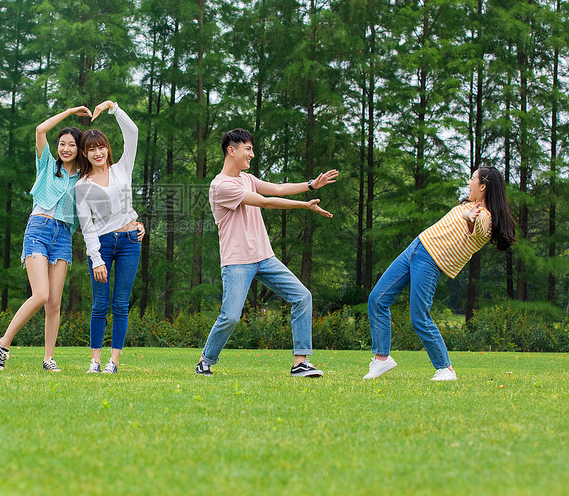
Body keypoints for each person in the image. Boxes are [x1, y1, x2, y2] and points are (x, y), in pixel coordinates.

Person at [195, 128, 338, 378]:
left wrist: (310, 185)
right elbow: (266, 201)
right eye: (248, 149)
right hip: (237, 260)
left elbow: (278, 189)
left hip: (264, 257)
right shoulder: (221, 186)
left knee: (302, 297)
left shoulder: (247, 179)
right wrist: (304, 205)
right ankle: (205, 360)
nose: (252, 154)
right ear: (232, 150)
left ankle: (300, 362)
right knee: (230, 317)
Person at [362, 166, 516, 381]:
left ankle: (445, 369)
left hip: (430, 260)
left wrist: (470, 218)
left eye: (473, 179)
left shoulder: (486, 218)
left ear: (483, 186)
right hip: (415, 248)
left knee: (419, 317)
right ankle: (381, 359)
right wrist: (467, 212)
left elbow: (477, 226)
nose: (469, 182)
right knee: (377, 299)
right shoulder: (469, 205)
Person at [0, 106, 90, 373]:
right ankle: (3, 343)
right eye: (62, 144)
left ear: (80, 149)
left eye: (71, 145)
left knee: (54, 302)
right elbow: (40, 130)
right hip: (39, 228)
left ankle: (48, 358)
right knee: (41, 294)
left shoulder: (83, 179)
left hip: (64, 236)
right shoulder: (46, 164)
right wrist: (69, 112)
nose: (65, 148)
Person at [74, 99, 143, 374]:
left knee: (121, 303)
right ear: (85, 154)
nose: (98, 152)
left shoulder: (122, 169)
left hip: (129, 242)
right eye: (92, 149)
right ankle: (95, 361)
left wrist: (115, 108)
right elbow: (86, 226)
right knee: (100, 304)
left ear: (107, 149)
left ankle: (113, 362)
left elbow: (133, 132)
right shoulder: (82, 186)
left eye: (101, 147)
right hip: (102, 246)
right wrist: (96, 259)